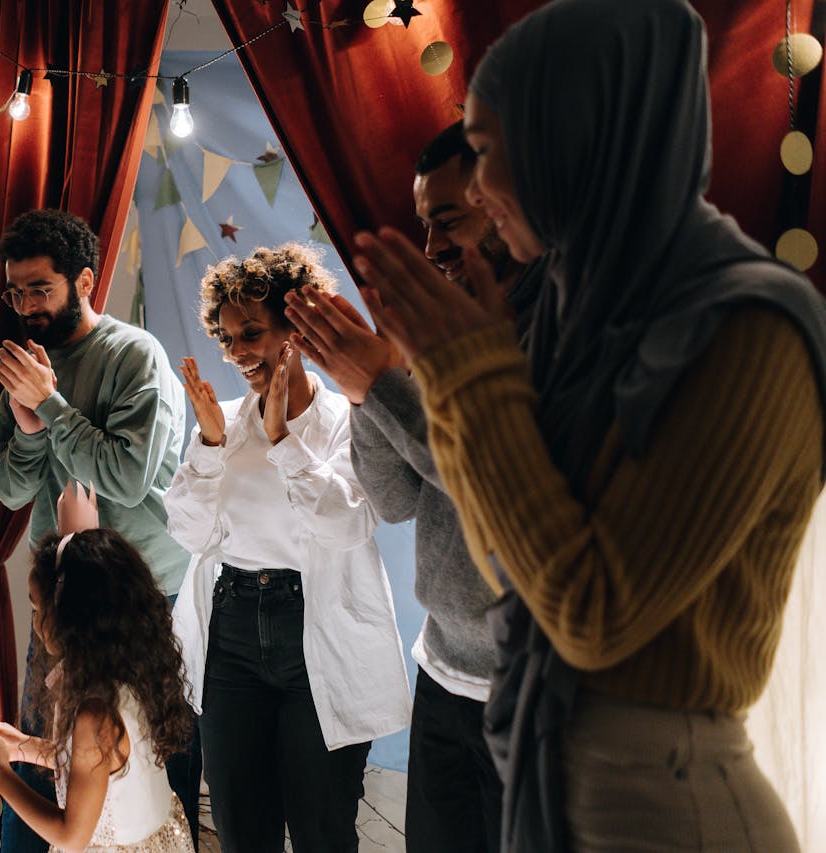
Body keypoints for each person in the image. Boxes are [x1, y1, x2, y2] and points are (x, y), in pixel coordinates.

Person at [351, 0, 826, 849]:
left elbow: (593, 615)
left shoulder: (749, 326)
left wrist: (458, 374)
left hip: (668, 807)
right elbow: (508, 555)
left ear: (576, 139)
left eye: (491, 152)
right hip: (558, 778)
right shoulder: (583, 315)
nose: (482, 189)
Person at [283, 121, 533, 852]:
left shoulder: (565, 328)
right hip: (445, 673)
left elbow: (502, 486)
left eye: (447, 220)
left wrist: (384, 384)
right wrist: (365, 390)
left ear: (505, 203)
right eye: (425, 226)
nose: (431, 249)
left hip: (533, 694)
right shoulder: (445, 327)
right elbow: (395, 500)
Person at [166, 244, 411, 852]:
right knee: (241, 828)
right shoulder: (220, 423)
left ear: (295, 329)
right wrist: (211, 445)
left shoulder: (351, 420)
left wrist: (282, 440)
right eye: (226, 338)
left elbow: (346, 526)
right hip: (231, 632)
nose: (236, 352)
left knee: (322, 828)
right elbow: (191, 536)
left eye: (251, 332)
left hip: (317, 632)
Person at [0, 208, 198, 850]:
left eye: (39, 288)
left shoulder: (136, 356)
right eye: (15, 291)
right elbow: (9, 486)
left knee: (151, 759)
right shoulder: (27, 364)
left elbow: (127, 476)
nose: (25, 305)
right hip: (61, 595)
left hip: (142, 594)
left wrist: (49, 406)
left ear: (84, 280)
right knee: (53, 742)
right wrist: (26, 429)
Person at [0, 482, 195, 853]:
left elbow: (71, 836)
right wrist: (21, 747)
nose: (35, 622)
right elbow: (100, 767)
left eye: (37, 608)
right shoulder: (130, 668)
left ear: (69, 616)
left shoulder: (94, 713)